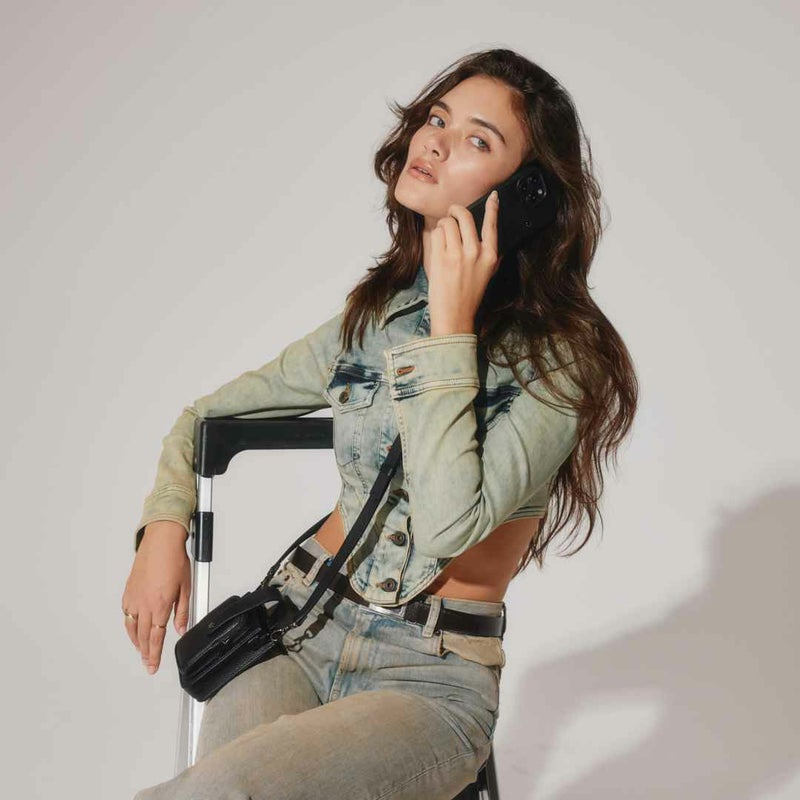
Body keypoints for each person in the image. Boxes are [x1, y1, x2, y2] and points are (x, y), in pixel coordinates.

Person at [123, 47, 639, 800]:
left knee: (225, 790)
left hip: (430, 677)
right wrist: (162, 526)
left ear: (526, 195)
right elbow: (204, 416)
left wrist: (451, 330)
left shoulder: (561, 363)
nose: (435, 142)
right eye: (438, 119)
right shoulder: (374, 318)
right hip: (298, 626)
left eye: (477, 139)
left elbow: (446, 524)